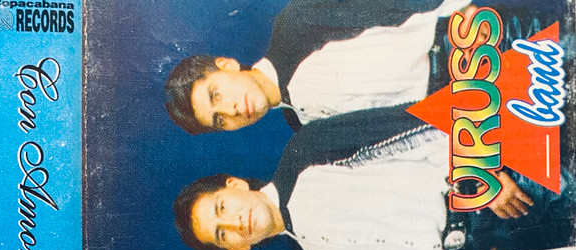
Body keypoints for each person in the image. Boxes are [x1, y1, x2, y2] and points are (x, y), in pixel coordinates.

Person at [174, 103, 576, 250]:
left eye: (222, 207)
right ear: (237, 249)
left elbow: (418, 124)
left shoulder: (304, 150)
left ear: (235, 184)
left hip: (493, 188)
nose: (235, 223)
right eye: (222, 234)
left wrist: (484, 170)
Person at [165, 0, 469, 134]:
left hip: (467, 45)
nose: (230, 111)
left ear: (227, 65)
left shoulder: (294, 25)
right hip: (463, 111)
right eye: (219, 120)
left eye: (216, 95)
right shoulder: (303, 127)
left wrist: (463, 12)